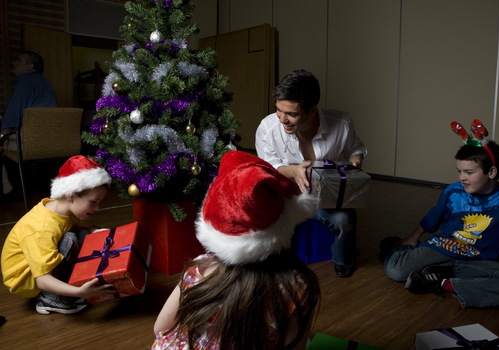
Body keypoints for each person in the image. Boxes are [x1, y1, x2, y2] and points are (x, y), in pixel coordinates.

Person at [152, 151, 321, 350]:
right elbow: (295, 346)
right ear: (284, 222)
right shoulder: (299, 284)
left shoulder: (200, 268)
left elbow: (161, 327)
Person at [381, 120, 499, 308]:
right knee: (396, 271)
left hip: (478, 262)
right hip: (441, 248)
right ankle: (396, 249)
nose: (462, 177)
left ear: (492, 172)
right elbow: (433, 217)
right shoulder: (453, 191)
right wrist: (411, 238)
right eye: (460, 171)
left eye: (469, 172)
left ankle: (443, 282)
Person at [255, 69, 368, 278]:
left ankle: (344, 256)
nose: (282, 119)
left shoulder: (342, 123)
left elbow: (355, 149)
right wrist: (293, 171)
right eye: (279, 110)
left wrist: (354, 165)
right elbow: (267, 166)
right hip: (285, 190)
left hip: (326, 191)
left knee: (346, 220)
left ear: (312, 110)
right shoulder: (268, 128)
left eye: (292, 114)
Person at [1, 155, 116, 314]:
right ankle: (51, 299)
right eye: (93, 202)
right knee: (69, 240)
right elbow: (42, 280)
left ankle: (78, 279)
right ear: (71, 195)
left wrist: (97, 232)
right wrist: (80, 293)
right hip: (25, 279)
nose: (97, 208)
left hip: (39, 268)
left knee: (82, 232)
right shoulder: (42, 228)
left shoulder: (63, 211)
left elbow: (86, 226)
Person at [1, 50, 58, 201]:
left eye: (18, 61)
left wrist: (3, 135)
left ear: (29, 66)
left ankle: (9, 190)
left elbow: (14, 113)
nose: (14, 63)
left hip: (31, 139)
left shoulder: (25, 81)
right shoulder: (45, 83)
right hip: (52, 139)